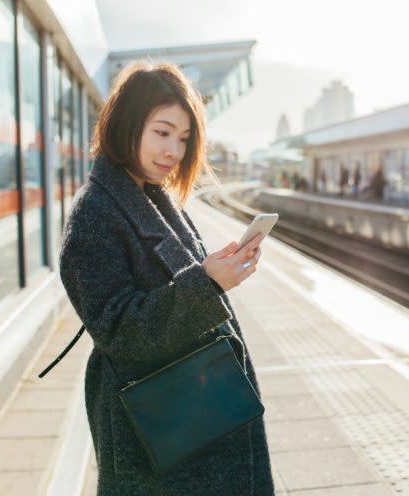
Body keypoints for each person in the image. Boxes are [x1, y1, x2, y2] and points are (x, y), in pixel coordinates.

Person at [58, 61, 274, 495]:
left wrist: (215, 275)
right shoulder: (93, 216)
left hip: (199, 417)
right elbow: (120, 332)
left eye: (183, 138)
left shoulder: (153, 198)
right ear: (126, 123)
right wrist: (208, 284)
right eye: (162, 132)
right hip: (158, 438)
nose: (173, 150)